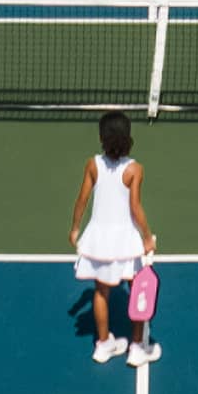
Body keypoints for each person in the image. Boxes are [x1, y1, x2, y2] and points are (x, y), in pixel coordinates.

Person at [68, 111, 162, 367]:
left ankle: (103, 345)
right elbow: (135, 208)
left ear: (101, 137)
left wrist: (75, 229)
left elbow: (82, 199)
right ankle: (137, 348)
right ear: (129, 138)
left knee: (101, 292)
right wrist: (147, 238)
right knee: (137, 293)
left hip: (98, 241)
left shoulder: (92, 164)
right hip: (125, 242)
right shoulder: (135, 169)